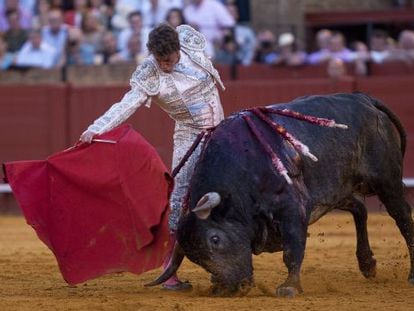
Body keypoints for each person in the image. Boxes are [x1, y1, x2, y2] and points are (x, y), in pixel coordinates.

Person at [79, 23, 225, 290]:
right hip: (190, 134)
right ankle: (169, 271)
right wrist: (95, 128)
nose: (164, 66)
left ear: (178, 50)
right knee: (178, 199)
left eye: (167, 60)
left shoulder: (190, 43)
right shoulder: (149, 72)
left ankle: (227, 263)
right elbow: (126, 104)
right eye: (159, 60)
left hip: (223, 130)